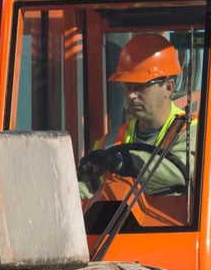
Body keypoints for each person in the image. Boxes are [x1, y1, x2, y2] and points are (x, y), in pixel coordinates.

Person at [79, 33, 194, 198]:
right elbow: (85, 192)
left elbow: (181, 171)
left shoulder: (191, 133)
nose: (132, 96)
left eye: (140, 87)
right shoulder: (108, 144)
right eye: (127, 87)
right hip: (120, 224)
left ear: (168, 88)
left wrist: (125, 161)